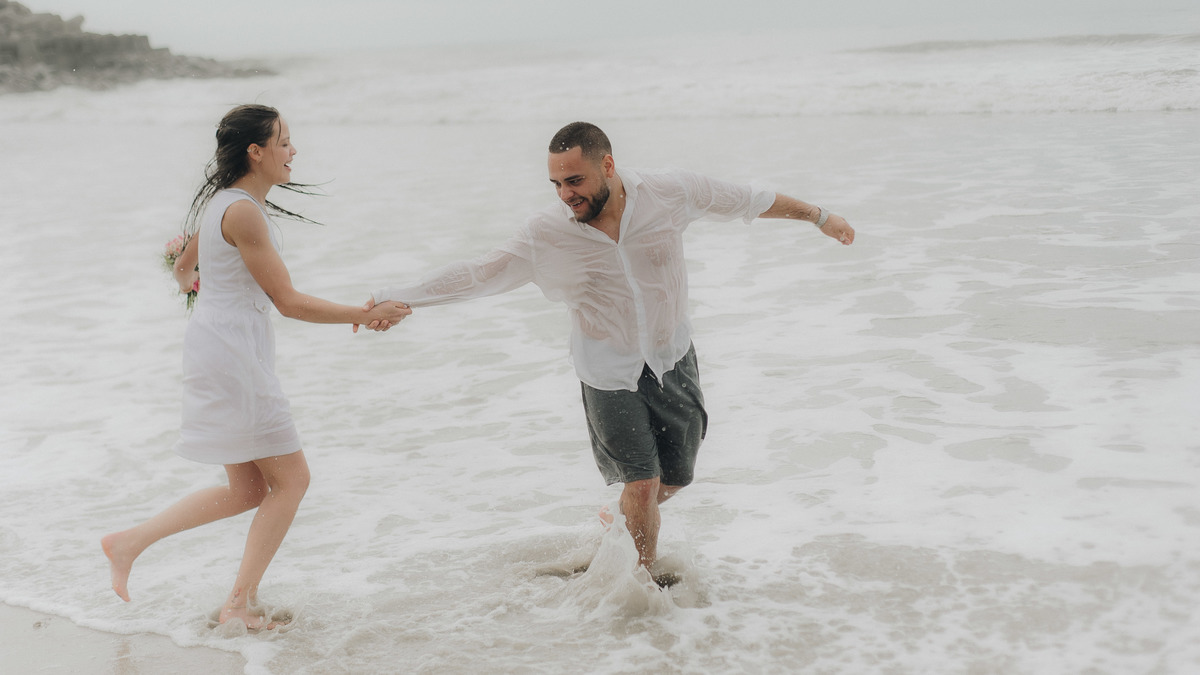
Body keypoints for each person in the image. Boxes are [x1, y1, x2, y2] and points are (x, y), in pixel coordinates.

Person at [367, 121, 854, 578]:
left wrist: (819, 217)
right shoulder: (546, 232)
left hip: (670, 356)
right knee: (641, 481)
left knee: (675, 478)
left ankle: (618, 519)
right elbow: (480, 273)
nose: (565, 194)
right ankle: (640, 585)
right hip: (606, 369)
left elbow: (748, 199)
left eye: (574, 180)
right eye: (556, 184)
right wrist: (401, 299)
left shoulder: (671, 192)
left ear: (608, 165)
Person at [101, 104, 411, 630]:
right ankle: (238, 605)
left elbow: (183, 268)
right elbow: (287, 302)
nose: (293, 151)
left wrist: (209, 294)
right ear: (256, 151)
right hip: (235, 358)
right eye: (284, 142)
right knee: (292, 480)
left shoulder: (219, 203)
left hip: (217, 348)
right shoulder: (243, 212)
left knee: (247, 490)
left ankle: (129, 543)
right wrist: (364, 315)